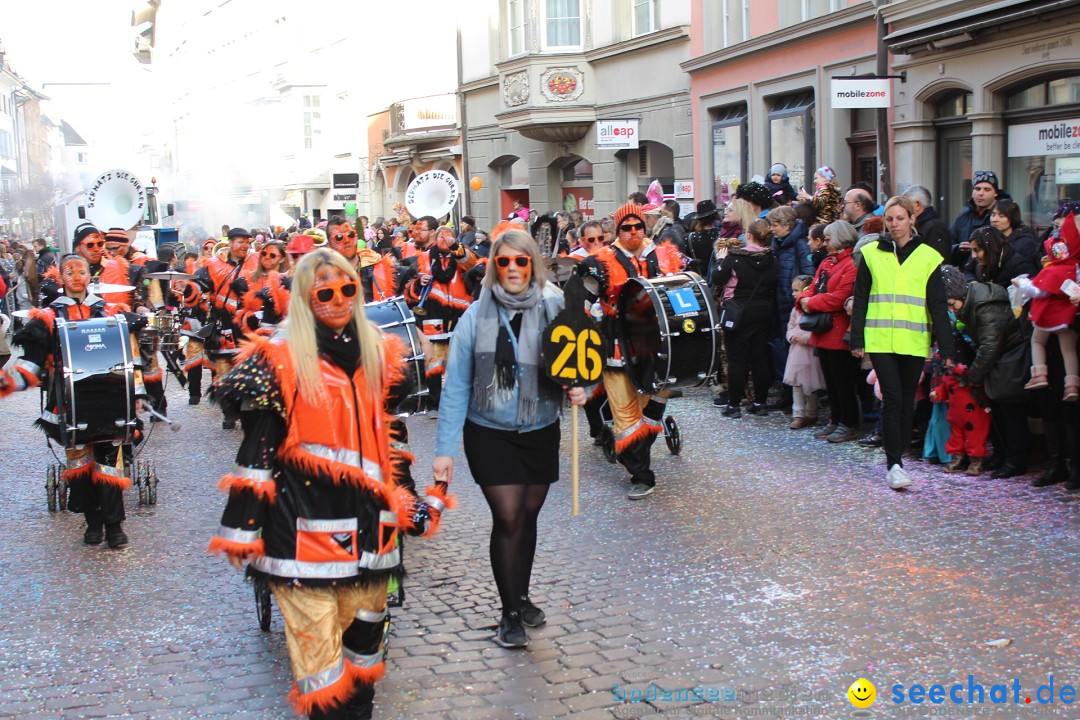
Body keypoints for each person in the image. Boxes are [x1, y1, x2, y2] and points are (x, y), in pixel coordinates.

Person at [208, 249, 449, 720]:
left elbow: (385, 443)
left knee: (364, 663)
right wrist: (244, 529)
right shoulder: (277, 359)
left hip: (372, 536)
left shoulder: (380, 349)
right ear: (304, 297)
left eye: (347, 289)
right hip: (302, 536)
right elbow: (258, 450)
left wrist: (410, 503)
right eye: (324, 292)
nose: (337, 299)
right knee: (322, 679)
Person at [432, 229, 584, 649]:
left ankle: (521, 592)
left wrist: (579, 388)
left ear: (532, 263)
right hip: (489, 432)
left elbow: (578, 361)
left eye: (521, 261)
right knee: (508, 518)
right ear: (493, 267)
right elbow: (457, 384)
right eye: (504, 262)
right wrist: (444, 450)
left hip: (540, 427)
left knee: (528, 519)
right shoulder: (474, 315)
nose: (513, 269)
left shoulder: (556, 305)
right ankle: (510, 613)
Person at [3, 253, 149, 549]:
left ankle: (114, 526)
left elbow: (130, 359)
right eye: (70, 270)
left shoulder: (110, 313)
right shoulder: (48, 318)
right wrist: (9, 382)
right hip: (69, 402)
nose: (77, 275)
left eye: (81, 269)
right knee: (80, 466)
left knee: (110, 463)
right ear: (60, 278)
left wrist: (139, 392)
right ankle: (93, 522)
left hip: (110, 399)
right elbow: (31, 364)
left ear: (89, 275)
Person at [850, 196, 956, 490]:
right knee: (893, 398)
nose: (894, 224)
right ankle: (894, 463)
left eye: (899, 218)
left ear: (912, 219)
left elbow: (936, 304)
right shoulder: (872, 253)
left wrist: (946, 347)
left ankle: (898, 459)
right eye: (889, 219)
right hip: (880, 337)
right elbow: (861, 298)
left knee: (907, 401)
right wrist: (857, 337)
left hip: (914, 338)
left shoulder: (928, 256)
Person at [579, 203, 683, 499]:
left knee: (648, 407)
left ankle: (638, 445)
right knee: (625, 415)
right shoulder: (599, 263)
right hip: (615, 348)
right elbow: (582, 307)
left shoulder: (665, 256)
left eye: (638, 226)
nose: (634, 232)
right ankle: (642, 475)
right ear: (617, 230)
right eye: (627, 227)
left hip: (655, 347)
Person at [948, 267, 1030, 479]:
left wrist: (973, 376)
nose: (953, 310)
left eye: (951, 304)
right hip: (1001, 359)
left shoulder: (985, 306)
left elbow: (990, 346)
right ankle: (1004, 455)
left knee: (1011, 412)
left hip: (1010, 358)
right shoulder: (975, 302)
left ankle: (1015, 460)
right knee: (1000, 411)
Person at [188, 227, 257, 427]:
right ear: (230, 243)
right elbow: (198, 287)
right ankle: (229, 413)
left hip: (247, 325)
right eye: (240, 242)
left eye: (247, 242)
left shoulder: (256, 262)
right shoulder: (212, 265)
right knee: (224, 371)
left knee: (247, 370)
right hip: (224, 323)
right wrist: (190, 289)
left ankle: (246, 411)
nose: (244, 246)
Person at [712, 219, 779, 418]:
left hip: (739, 311)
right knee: (759, 357)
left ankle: (734, 405)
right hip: (764, 309)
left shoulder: (735, 258)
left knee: (737, 359)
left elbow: (717, 278)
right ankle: (760, 402)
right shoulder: (772, 258)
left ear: (748, 235)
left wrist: (719, 260)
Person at [801, 220, 859, 441]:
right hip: (823, 330)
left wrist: (810, 302)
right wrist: (805, 300)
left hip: (838, 331)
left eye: (827, 239)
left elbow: (841, 297)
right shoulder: (827, 261)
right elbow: (812, 287)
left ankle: (847, 422)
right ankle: (835, 420)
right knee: (831, 381)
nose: (824, 243)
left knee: (842, 381)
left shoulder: (851, 264)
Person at [1013, 210, 1080, 399]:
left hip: (1048, 316)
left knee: (1037, 340)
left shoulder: (1054, 271)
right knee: (1069, 350)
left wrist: (1021, 283)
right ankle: (1072, 386)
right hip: (1069, 315)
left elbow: (1038, 290)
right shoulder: (1075, 266)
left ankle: (1039, 374)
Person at [784, 275, 825, 429]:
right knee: (797, 383)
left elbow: (817, 327)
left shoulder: (812, 308)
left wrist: (807, 338)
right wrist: (791, 336)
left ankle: (812, 412)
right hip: (797, 351)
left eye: (797, 290)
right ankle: (798, 414)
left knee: (810, 383)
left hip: (809, 350)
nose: (793, 294)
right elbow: (791, 325)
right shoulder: (795, 309)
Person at [235, 239, 290, 334]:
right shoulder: (248, 279)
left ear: (282, 259)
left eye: (272, 255)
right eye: (264, 253)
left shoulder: (287, 281)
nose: (267, 257)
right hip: (252, 337)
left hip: (279, 337)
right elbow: (240, 310)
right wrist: (247, 317)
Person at [951, 170, 1003, 267]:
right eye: (977, 189)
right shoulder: (963, 217)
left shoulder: (1003, 217)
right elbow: (948, 246)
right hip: (965, 274)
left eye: (987, 189)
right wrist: (958, 249)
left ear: (996, 193)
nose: (981, 193)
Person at [968, 226, 1034, 288]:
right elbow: (967, 271)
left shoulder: (1018, 267)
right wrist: (973, 281)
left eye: (977, 250)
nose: (973, 256)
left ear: (990, 248)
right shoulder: (983, 261)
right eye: (972, 250)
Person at [902, 185, 952, 260]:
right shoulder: (920, 226)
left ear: (917, 205)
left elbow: (937, 261)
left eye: (906, 205)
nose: (904, 209)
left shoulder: (935, 228)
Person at [989, 199, 1040, 268]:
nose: (994, 219)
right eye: (993, 215)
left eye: (1001, 216)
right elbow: (971, 268)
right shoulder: (988, 239)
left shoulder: (1026, 243)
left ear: (1012, 218)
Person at [686, 200, 720, 275]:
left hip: (698, 280)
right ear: (715, 217)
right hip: (717, 278)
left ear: (698, 219)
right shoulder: (721, 235)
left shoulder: (689, 237)